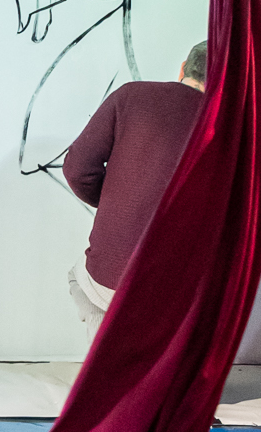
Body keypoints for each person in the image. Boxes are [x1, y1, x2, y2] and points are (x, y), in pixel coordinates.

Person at [61, 41, 207, 327]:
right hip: (178, 294)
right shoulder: (229, 128)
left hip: (109, 283)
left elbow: (77, 170)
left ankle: (103, 342)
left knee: (81, 282)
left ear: (182, 69)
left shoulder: (130, 95)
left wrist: (117, 201)